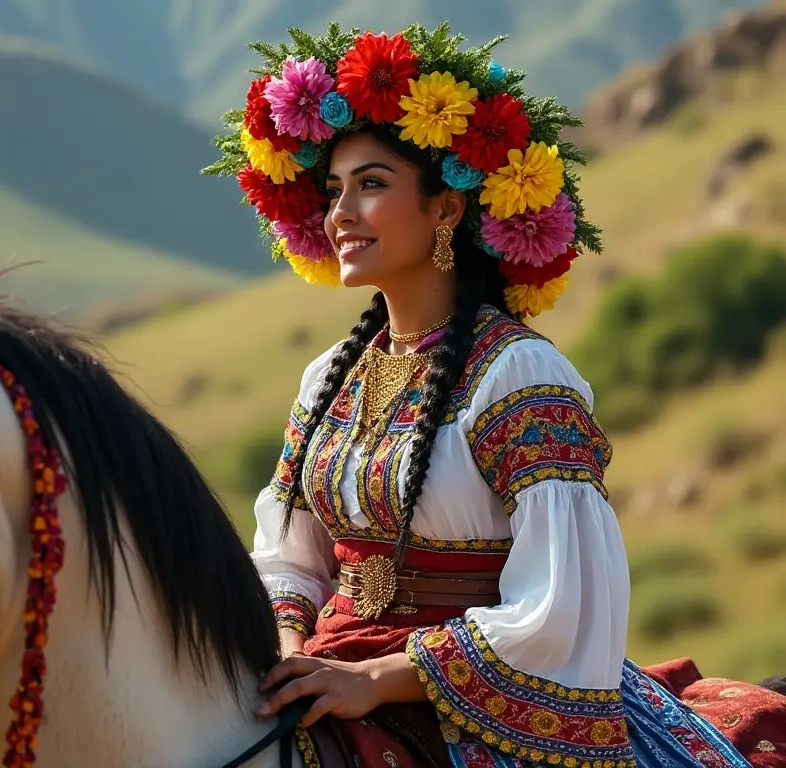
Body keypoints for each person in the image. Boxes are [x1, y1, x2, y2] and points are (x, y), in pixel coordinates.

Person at [204, 20, 784, 768]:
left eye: (372, 185)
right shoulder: (328, 379)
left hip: (467, 701)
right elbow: (290, 558)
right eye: (334, 190)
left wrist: (377, 680)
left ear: (446, 209)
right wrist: (290, 658)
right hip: (327, 668)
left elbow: (560, 605)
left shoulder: (519, 375)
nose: (340, 212)